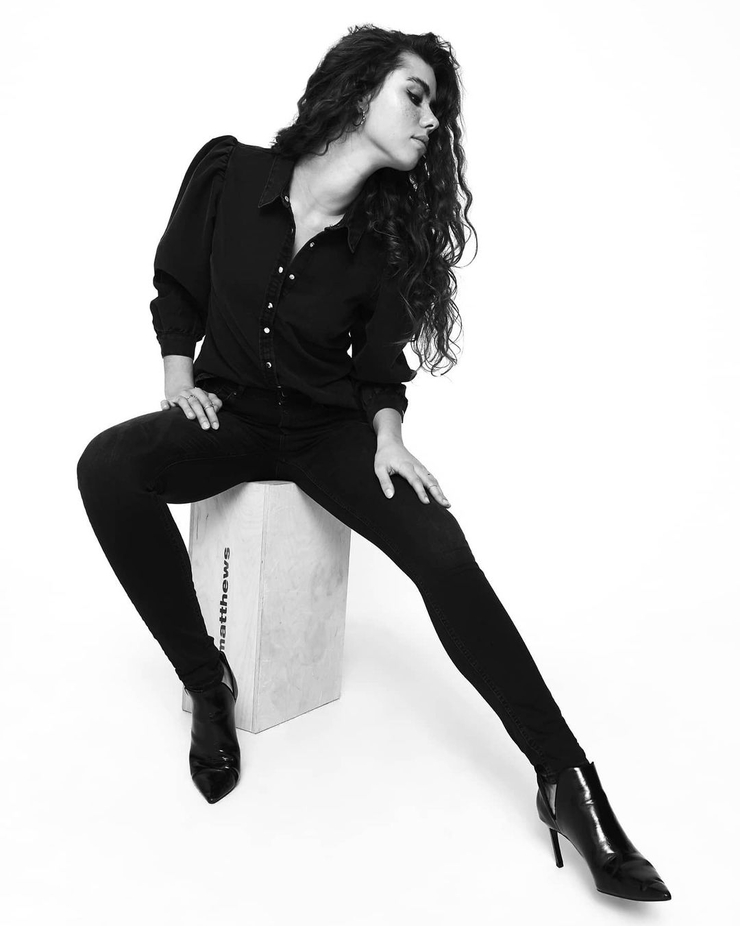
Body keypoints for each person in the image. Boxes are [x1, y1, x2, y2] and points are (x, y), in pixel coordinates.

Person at [76, 24, 671, 901]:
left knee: (443, 554)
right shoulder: (230, 173)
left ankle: (567, 781)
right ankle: (208, 682)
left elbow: (378, 368)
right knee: (106, 468)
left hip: (329, 434)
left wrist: (388, 435)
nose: (431, 121)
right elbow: (178, 285)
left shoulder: (383, 241)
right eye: (415, 96)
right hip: (230, 415)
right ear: (359, 90)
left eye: (438, 111)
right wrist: (177, 379)